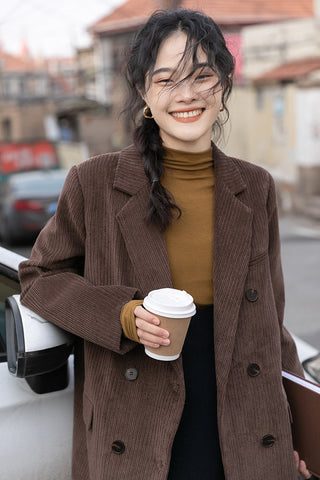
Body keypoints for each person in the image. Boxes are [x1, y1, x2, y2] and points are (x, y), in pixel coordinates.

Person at [18, 9, 315, 480]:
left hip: (246, 428)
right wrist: (122, 315)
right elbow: (39, 279)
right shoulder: (94, 182)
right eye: (167, 80)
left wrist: (302, 436)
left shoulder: (255, 187)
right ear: (144, 94)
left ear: (224, 84)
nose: (188, 94)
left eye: (202, 76)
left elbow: (269, 324)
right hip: (137, 426)